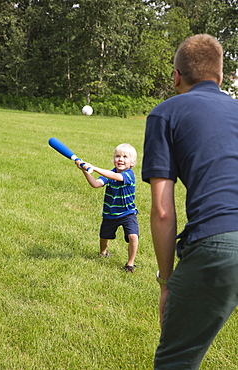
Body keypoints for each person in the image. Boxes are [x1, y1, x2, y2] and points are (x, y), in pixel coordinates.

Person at [142, 33, 238, 369]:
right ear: (221, 76)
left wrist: (167, 282)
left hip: (219, 244)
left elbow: (163, 211)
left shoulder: (165, 114)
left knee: (176, 362)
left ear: (176, 76)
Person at [76, 143, 139, 272]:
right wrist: (84, 170)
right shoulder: (109, 173)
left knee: (133, 236)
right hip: (110, 212)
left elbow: (116, 177)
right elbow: (95, 184)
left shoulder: (128, 175)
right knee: (104, 237)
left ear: (132, 163)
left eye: (125, 157)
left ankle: (130, 263)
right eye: (117, 156)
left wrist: (93, 167)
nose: (120, 159)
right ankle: (103, 253)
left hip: (128, 213)